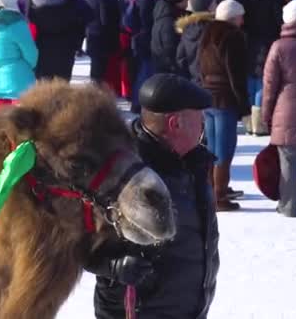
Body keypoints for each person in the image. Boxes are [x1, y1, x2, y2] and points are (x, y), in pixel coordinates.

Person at [89, 73, 219, 319]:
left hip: (189, 308)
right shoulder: (122, 173)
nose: (203, 123)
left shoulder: (193, 161)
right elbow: (74, 241)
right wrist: (113, 267)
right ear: (175, 124)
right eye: (198, 117)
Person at [199, 0, 250, 211]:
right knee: (224, 149)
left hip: (207, 97)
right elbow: (235, 74)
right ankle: (219, 195)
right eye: (241, 16)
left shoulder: (207, 34)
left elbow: (199, 65)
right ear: (233, 17)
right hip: (224, 99)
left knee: (211, 148)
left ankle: (212, 189)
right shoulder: (232, 37)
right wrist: (243, 104)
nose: (243, 20)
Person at [262, 0, 296, 217]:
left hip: (287, 109)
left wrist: (266, 113)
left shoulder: (279, 47)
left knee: (288, 161)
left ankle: (289, 206)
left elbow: (270, 85)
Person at [241, 0, 283, 136]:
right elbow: (279, 21)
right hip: (268, 42)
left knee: (250, 79)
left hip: (247, 42)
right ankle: (259, 123)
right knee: (262, 81)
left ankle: (249, 122)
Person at [29, 0, 84, 80]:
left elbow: (32, 32)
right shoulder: (67, 8)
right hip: (64, 55)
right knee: (62, 89)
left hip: (42, 54)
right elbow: (76, 30)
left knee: (44, 88)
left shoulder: (35, 12)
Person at [85, 0, 121, 86]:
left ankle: (94, 88)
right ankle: (97, 91)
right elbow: (105, 19)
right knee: (101, 68)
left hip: (91, 34)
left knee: (95, 66)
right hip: (103, 37)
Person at [176, 0, 215, 83]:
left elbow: (180, 58)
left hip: (193, 81)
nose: (216, 5)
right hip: (211, 83)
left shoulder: (187, 29)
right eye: (214, 3)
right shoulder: (213, 29)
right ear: (208, 6)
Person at [150, 0, 189, 74]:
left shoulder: (166, 12)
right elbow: (171, 51)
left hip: (165, 68)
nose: (188, 1)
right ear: (178, 0)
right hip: (170, 72)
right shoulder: (169, 22)